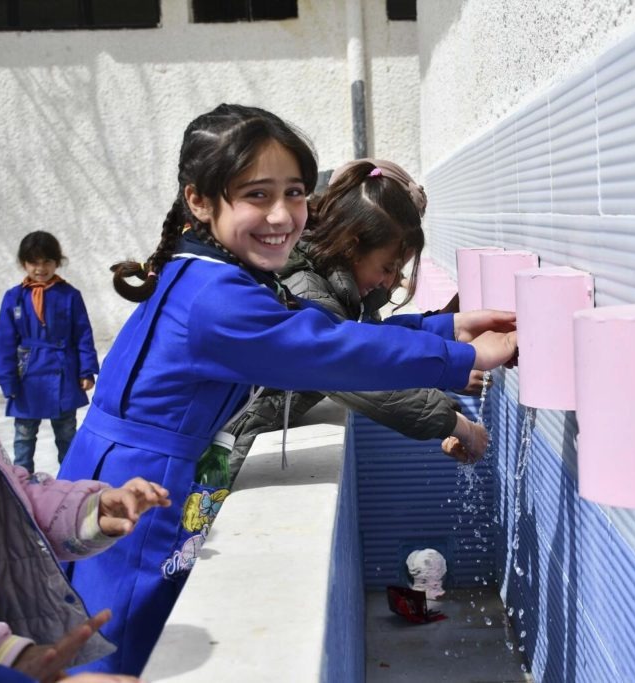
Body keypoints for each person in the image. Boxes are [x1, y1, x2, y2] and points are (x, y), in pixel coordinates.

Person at [56, 103, 517, 675]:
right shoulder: (217, 298)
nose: (281, 215)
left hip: (132, 473)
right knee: (113, 652)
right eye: (256, 195)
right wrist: (462, 357)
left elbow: (320, 332)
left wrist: (443, 326)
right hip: (137, 490)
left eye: (295, 192)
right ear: (198, 199)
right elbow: (333, 352)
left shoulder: (212, 273)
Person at [0, 177, 171, 681]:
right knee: (28, 440)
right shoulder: (12, 301)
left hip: (58, 385)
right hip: (30, 386)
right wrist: (4, 655)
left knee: (53, 445)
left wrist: (92, 510)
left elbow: (5, 496)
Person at [225, 158, 491, 482]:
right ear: (354, 243)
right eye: (388, 266)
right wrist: (456, 419)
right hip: (221, 453)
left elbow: (374, 341)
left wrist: (452, 330)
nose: (393, 282)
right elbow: (356, 364)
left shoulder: (333, 281)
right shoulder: (304, 289)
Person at [0, 231, 99, 472]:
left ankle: (72, 479)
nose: (40, 268)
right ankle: (23, 481)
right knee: (23, 436)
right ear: (24, 263)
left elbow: (83, 334)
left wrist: (86, 370)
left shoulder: (70, 295)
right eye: (34, 262)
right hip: (27, 377)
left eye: (47, 262)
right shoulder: (14, 298)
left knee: (66, 434)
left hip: (63, 373)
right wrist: (7, 380)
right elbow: (5, 343)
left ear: (57, 262)